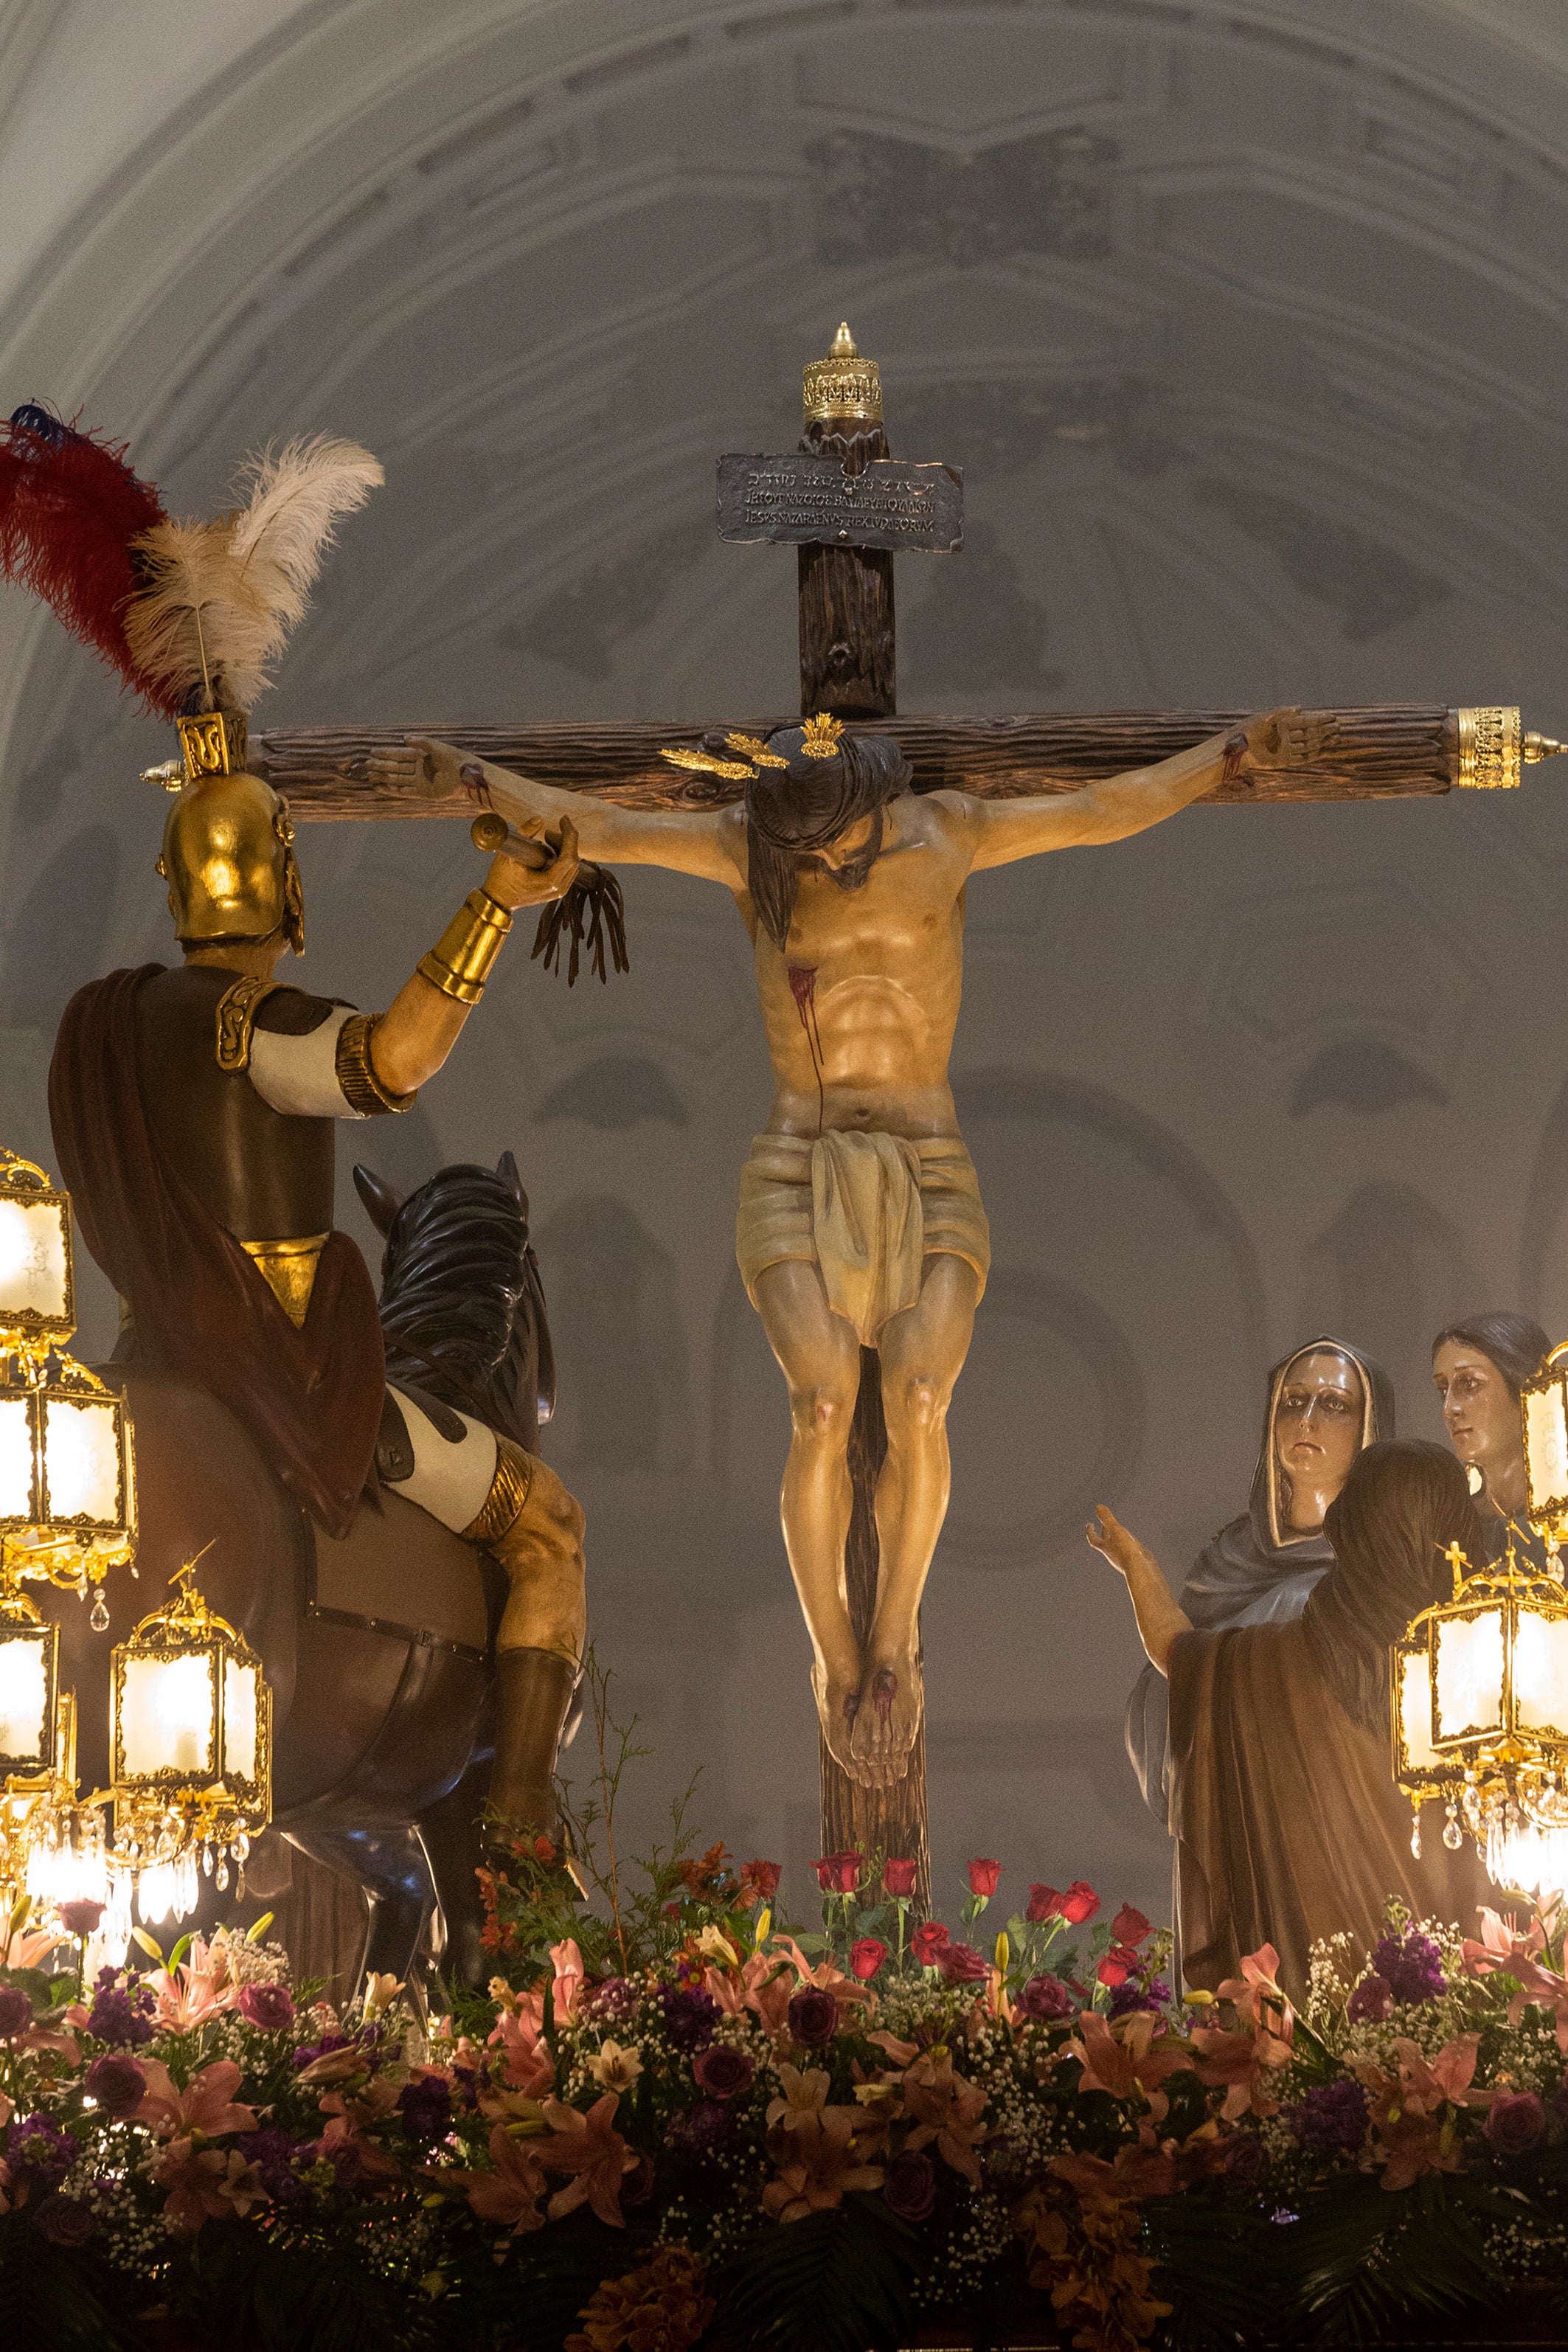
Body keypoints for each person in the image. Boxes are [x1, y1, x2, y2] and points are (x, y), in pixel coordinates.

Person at [370, 705, 1331, 1785]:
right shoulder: (750, 846)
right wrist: (465, 773)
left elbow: (1102, 810)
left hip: (927, 1157)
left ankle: (894, 1644)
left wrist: (1225, 761)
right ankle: (833, 1658)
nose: (812, 861)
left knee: (918, 1397)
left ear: (873, 809)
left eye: (828, 844)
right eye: (798, 848)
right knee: (822, 1403)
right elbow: (598, 823)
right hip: (796, 1156)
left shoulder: (951, 833)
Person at [9, 409, 593, 1838]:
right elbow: (390, 1062)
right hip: (284, 1373)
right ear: (283, 881)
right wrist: (495, 905)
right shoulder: (239, 1022)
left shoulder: (109, 1019)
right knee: (546, 1523)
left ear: (170, 873)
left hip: (145, 1351)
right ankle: (517, 1819)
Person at [1092, 1440, 1499, 1997]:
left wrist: (1135, 1564)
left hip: (1307, 2013)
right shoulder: (1494, 1666)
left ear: (1351, 1529)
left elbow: (1176, 1650)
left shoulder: (1272, 1663)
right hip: (1459, 2014)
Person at [1125, 1336, 1393, 1831]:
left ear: (1368, 1428)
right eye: (1293, 1400)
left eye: (1334, 1404)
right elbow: (1164, 1684)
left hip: (1331, 1822)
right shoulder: (1228, 1556)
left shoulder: (1381, 1565)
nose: (1306, 1418)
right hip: (1226, 1813)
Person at [1432, 1311, 1549, 1545]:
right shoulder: (1448, 1531)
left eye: (1469, 1383)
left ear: (1528, 1387)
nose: (1449, 1409)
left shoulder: (1560, 1523)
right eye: (1443, 1390)